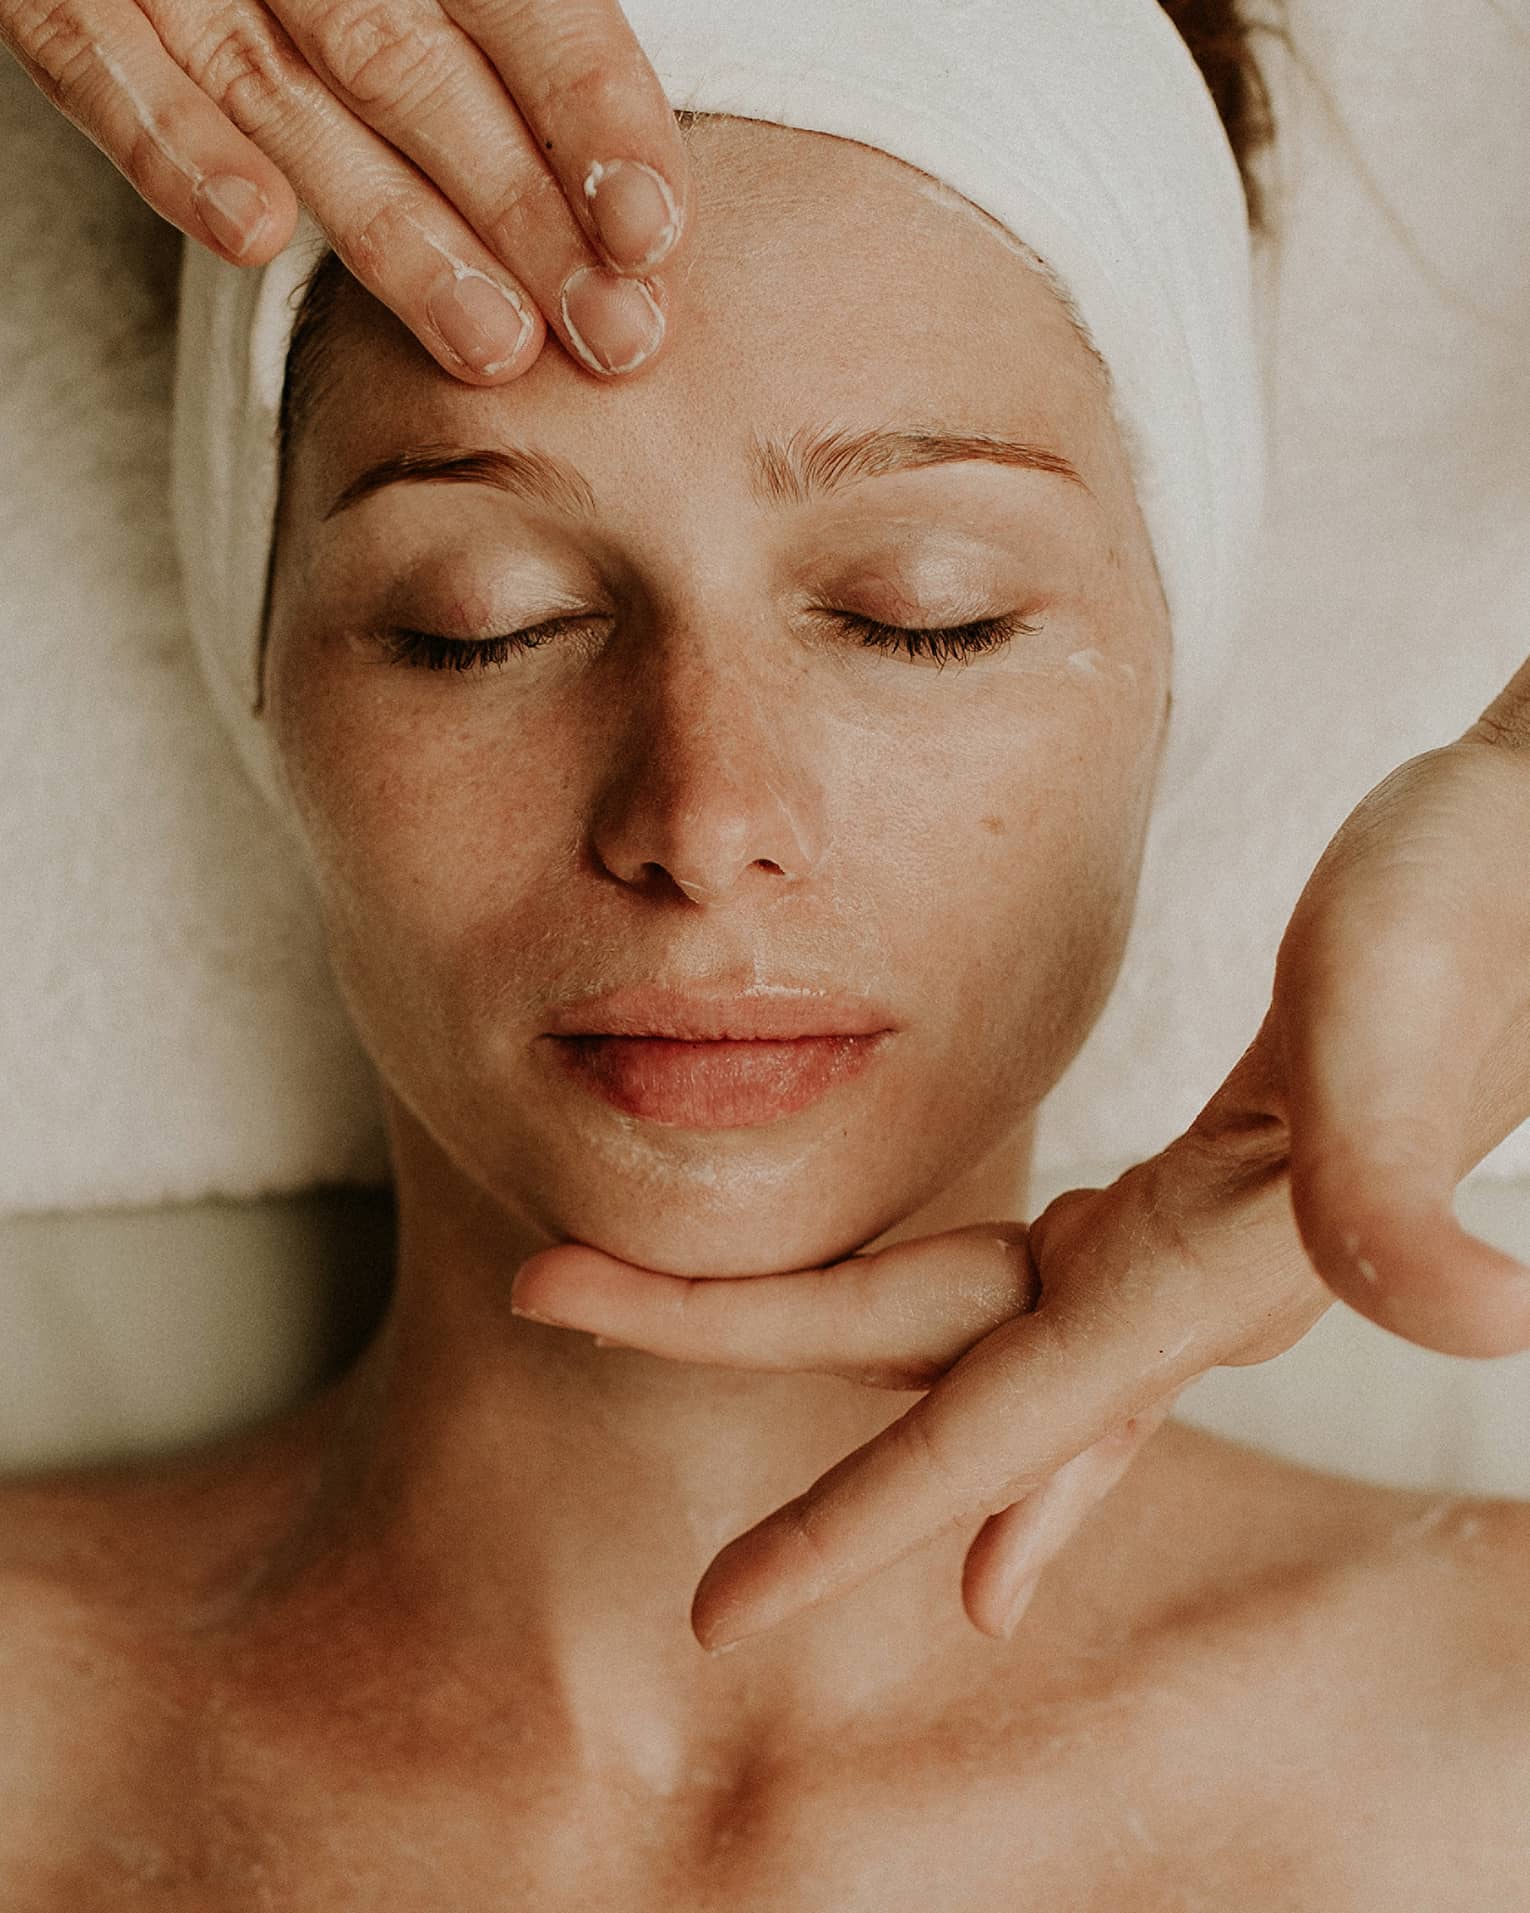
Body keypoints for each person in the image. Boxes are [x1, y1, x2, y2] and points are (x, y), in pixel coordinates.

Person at [3, 5, 1530, 1901]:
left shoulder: (1489, 1738)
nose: (703, 811)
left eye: (922, 617)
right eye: (485, 623)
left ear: (1168, 665)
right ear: (267, 677)